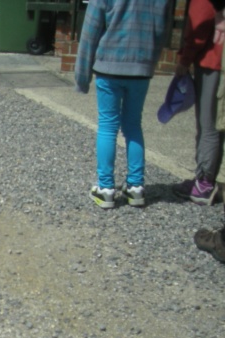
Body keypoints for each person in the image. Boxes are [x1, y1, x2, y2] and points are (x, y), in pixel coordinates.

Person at [75, 0, 172, 209]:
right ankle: (136, 187)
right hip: (141, 68)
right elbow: (164, 31)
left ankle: (106, 189)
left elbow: (90, 32)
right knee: (133, 125)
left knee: (108, 126)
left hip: (108, 66)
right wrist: (150, 63)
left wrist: (82, 77)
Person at [173, 0, 225, 205]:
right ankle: (205, 178)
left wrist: (184, 61)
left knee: (208, 125)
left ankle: (204, 182)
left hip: (213, 62)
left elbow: (199, 25)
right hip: (217, 60)